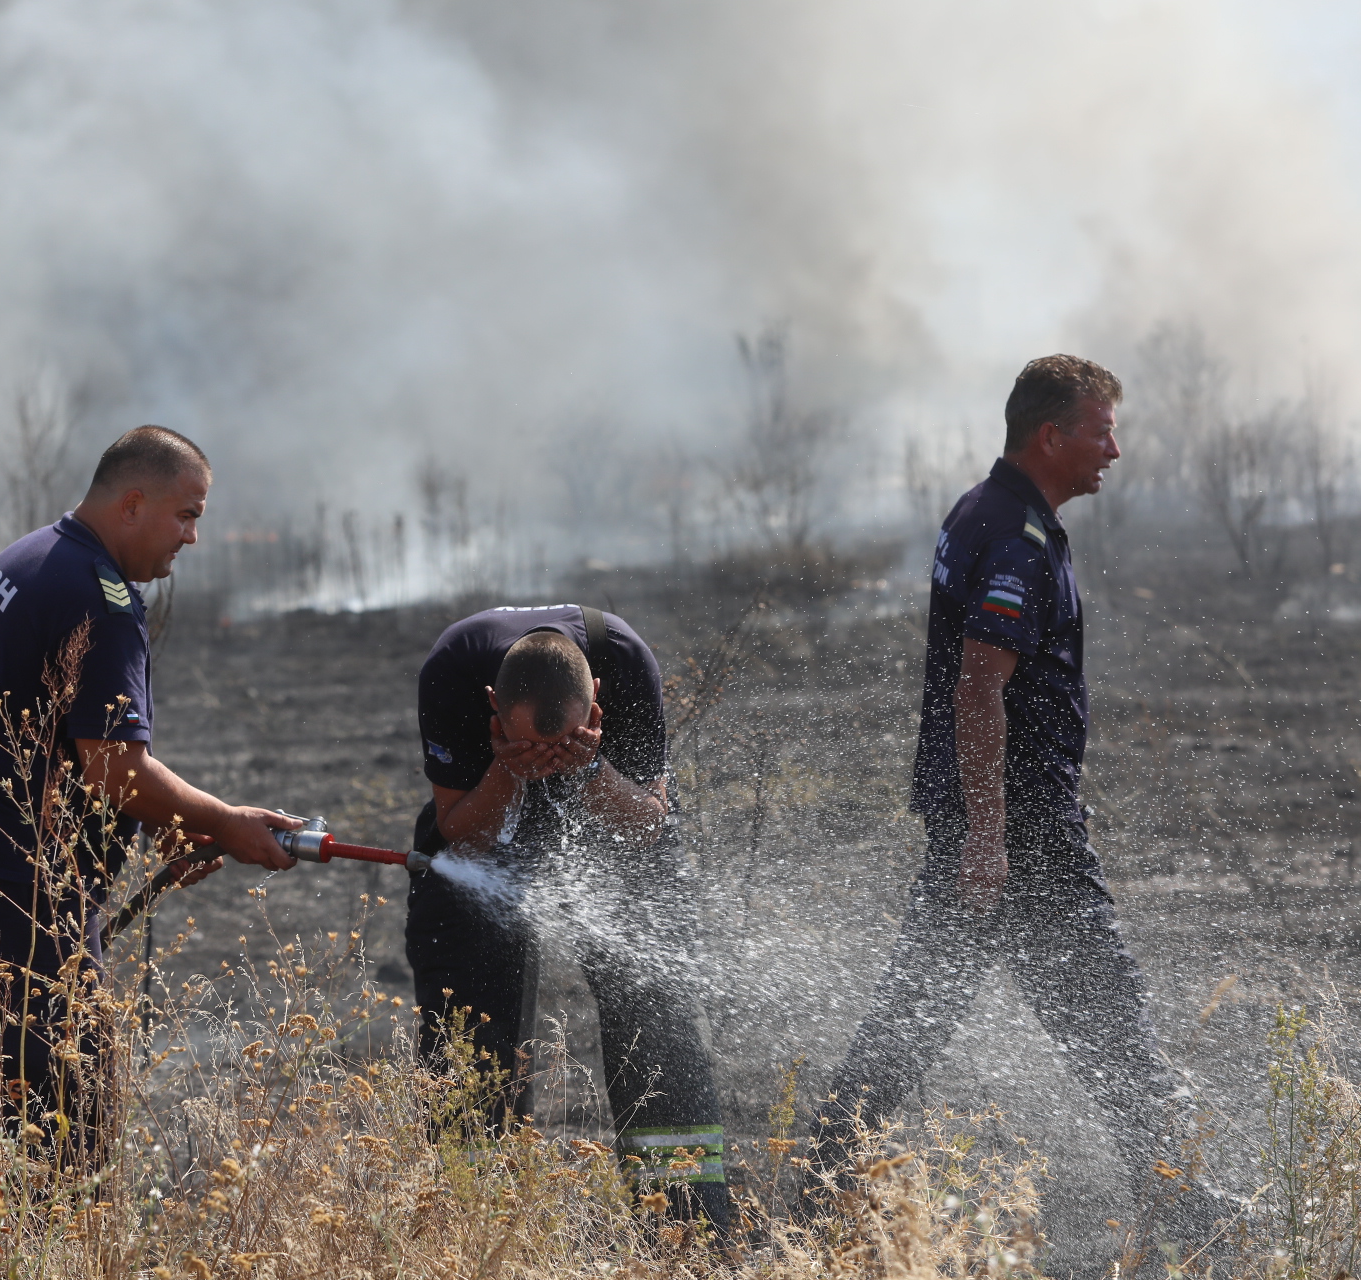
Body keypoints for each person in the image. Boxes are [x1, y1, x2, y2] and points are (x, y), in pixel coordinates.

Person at [804, 356, 1220, 1241]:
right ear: (1052, 436)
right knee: (1112, 1017)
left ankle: (817, 1188)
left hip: (997, 826)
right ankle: (1185, 1206)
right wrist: (990, 838)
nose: (1114, 447)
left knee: (915, 1021)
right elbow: (978, 687)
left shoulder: (987, 510)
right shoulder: (1017, 537)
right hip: (1020, 833)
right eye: (1101, 429)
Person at [0, 425, 297, 1203]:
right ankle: (3, 1250)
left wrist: (165, 821)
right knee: (72, 1116)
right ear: (133, 504)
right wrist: (223, 821)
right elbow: (116, 766)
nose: (191, 536)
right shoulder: (102, 598)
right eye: (187, 515)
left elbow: (61, 743)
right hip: (18, 883)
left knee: (18, 1093)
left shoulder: (27, 560)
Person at [409, 604, 731, 1230]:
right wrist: (508, 768)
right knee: (466, 1025)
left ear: (597, 703)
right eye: (530, 742)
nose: (545, 758)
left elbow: (646, 823)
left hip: (611, 812)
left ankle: (689, 1234)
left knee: (656, 1011)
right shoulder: (452, 668)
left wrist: (587, 769)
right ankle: (469, 1232)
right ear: (492, 709)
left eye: (560, 743)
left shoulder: (626, 662)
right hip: (484, 809)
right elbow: (460, 833)